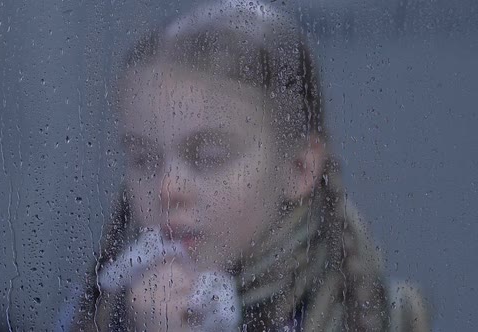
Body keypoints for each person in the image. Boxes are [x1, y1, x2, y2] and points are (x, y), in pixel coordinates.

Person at [69, 0, 429, 330]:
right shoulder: (104, 304)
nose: (167, 188)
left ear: (299, 168)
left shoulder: (372, 315)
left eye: (208, 158)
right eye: (143, 159)